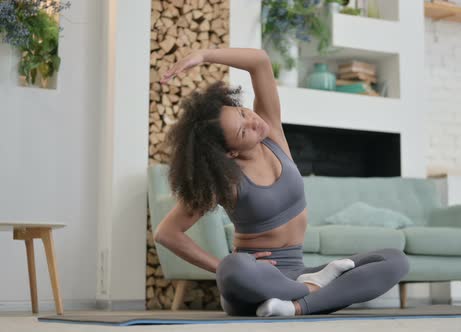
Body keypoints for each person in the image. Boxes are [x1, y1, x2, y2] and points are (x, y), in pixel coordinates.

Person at [154, 47, 409, 317]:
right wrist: (219, 266)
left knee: (395, 261)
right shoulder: (225, 179)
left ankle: (295, 306)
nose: (253, 121)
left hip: (298, 272)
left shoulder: (272, 134)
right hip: (256, 281)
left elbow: (261, 61)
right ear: (230, 152)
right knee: (233, 267)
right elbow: (166, 233)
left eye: (242, 112)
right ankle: (314, 293)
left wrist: (205, 55)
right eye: (243, 131)